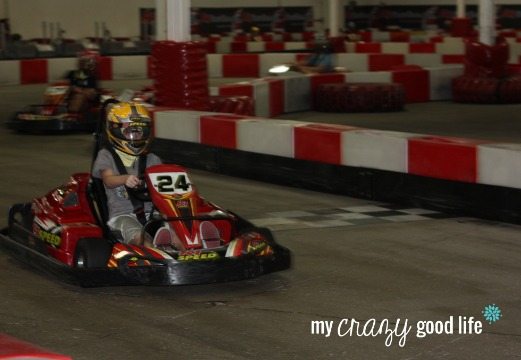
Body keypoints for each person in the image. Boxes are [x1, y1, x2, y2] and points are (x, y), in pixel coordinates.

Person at [92, 101, 167, 247]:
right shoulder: (106, 156)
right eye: (130, 131)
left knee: (173, 227)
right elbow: (108, 180)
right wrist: (125, 179)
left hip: (151, 214)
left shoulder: (153, 159)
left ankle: (191, 250)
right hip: (122, 215)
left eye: (139, 131)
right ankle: (153, 254)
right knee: (140, 236)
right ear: (116, 131)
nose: (136, 136)